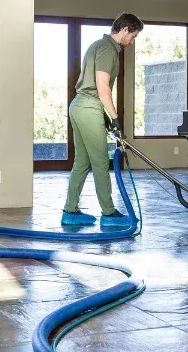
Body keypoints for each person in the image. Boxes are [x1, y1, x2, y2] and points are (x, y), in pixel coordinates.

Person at [61, 12, 144, 227]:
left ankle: (70, 212)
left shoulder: (98, 45)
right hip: (89, 106)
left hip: (79, 105)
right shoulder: (108, 49)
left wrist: (104, 116)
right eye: (133, 36)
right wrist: (115, 119)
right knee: (99, 162)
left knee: (82, 162)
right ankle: (108, 214)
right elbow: (103, 87)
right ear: (125, 29)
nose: (132, 41)